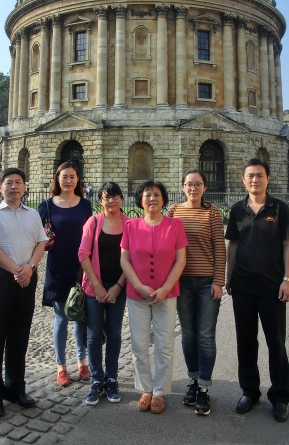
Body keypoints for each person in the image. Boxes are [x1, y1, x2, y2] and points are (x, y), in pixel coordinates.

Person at [225, 158, 289, 423]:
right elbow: (233, 245)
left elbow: (288, 245)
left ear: (268, 179)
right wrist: (229, 277)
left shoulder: (279, 208)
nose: (254, 180)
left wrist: (287, 280)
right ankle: (250, 391)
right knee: (245, 342)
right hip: (243, 287)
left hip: (272, 288)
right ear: (243, 180)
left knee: (275, 343)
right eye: (250, 176)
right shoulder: (237, 210)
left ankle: (280, 396)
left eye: (259, 175)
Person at [0, 168, 48, 418]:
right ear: (1, 187)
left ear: (24, 187)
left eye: (18, 182)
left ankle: (16, 388)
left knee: (20, 337)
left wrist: (30, 267)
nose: (14, 187)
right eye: (9, 183)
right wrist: (16, 270)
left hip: (27, 278)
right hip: (0, 279)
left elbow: (42, 242)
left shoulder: (32, 215)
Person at [120, 180, 187, 414]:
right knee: (139, 344)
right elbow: (124, 259)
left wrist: (166, 288)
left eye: (157, 194)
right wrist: (138, 286)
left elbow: (181, 260)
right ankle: (145, 389)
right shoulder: (131, 226)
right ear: (140, 200)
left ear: (163, 199)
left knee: (164, 344)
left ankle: (159, 391)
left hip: (166, 294)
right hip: (137, 294)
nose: (152, 198)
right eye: (147, 195)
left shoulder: (175, 225)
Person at [167, 169, 226, 417]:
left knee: (205, 335)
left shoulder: (212, 212)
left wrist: (219, 281)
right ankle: (193, 379)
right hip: (181, 282)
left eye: (198, 184)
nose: (193, 188)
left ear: (204, 188)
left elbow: (219, 247)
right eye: (189, 184)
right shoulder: (173, 211)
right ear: (183, 187)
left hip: (206, 282)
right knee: (188, 334)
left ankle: (204, 386)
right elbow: (167, 245)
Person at [38, 161, 93, 386]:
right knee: (61, 318)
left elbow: (91, 235)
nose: (68, 181)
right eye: (64, 177)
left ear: (78, 179)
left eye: (72, 177)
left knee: (79, 317)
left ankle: (82, 361)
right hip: (57, 266)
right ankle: (61, 365)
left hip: (81, 267)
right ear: (57, 179)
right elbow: (37, 237)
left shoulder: (85, 205)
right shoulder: (47, 205)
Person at [78, 182, 128, 406]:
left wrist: (118, 286)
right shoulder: (94, 222)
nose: (111, 201)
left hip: (119, 286)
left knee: (114, 333)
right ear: (100, 201)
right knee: (94, 334)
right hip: (94, 287)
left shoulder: (129, 224)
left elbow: (132, 258)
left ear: (121, 199)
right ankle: (97, 379)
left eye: (115, 196)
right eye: (107, 197)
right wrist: (97, 286)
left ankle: (112, 379)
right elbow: (83, 254)